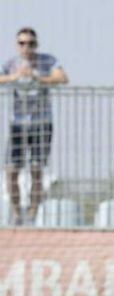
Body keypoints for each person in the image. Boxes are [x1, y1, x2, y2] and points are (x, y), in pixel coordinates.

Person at [0, 28, 68, 225]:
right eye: (22, 43)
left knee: (37, 170)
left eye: (30, 43)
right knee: (11, 170)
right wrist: (13, 78)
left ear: (36, 45)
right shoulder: (11, 64)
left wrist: (38, 77)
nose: (26, 47)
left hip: (42, 124)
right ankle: (16, 212)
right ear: (17, 45)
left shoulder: (47, 61)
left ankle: (32, 212)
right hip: (18, 125)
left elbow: (62, 78)